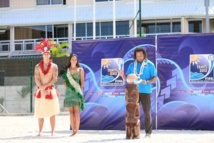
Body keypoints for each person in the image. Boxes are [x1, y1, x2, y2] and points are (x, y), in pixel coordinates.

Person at [120, 47, 157, 138]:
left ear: (144, 55)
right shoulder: (132, 65)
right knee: (131, 112)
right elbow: (128, 78)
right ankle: (132, 132)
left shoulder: (150, 65)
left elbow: (155, 78)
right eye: (137, 56)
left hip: (145, 91)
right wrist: (123, 76)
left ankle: (148, 132)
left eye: (141, 55)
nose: (139, 57)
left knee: (147, 112)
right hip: (133, 91)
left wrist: (147, 81)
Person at [34, 39, 60, 136]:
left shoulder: (54, 66)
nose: (46, 55)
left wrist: (45, 87)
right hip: (40, 91)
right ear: (42, 54)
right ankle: (40, 131)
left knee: (52, 112)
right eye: (44, 53)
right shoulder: (37, 67)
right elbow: (36, 78)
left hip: (50, 90)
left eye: (47, 53)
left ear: (50, 55)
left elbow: (55, 79)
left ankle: (52, 131)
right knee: (40, 112)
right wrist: (41, 87)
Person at [60, 53, 85, 136]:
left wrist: (79, 92)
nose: (74, 60)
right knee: (71, 112)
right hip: (69, 93)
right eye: (72, 59)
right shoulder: (66, 70)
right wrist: (66, 83)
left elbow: (82, 83)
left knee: (76, 112)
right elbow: (65, 82)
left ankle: (76, 130)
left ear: (77, 61)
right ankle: (73, 130)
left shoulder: (80, 70)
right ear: (70, 60)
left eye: (75, 59)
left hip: (76, 93)